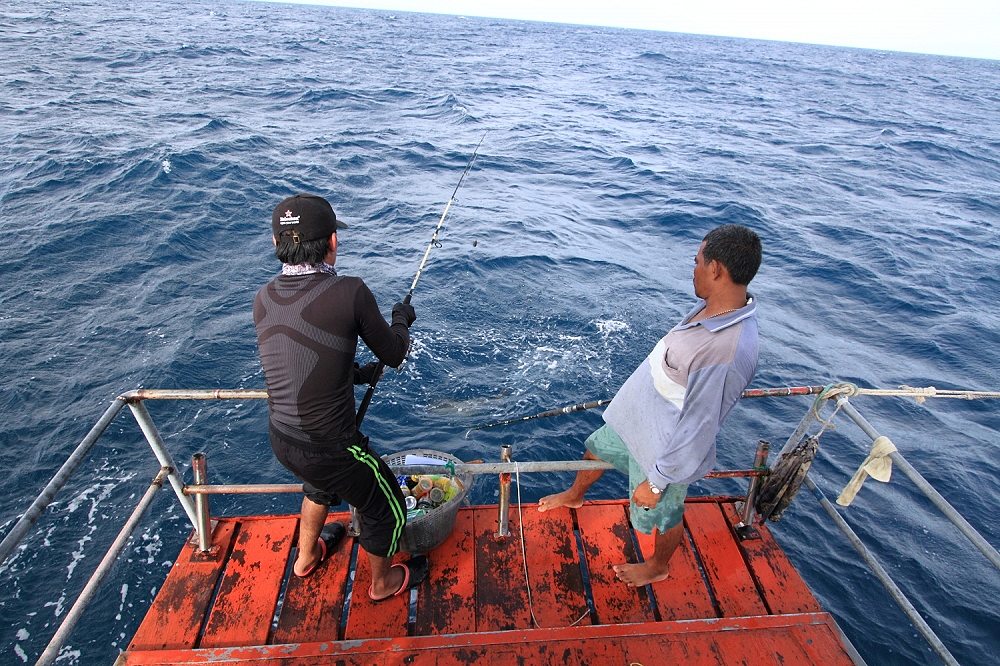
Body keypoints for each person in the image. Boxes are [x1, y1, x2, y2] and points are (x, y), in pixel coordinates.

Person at [538, 223, 762, 587]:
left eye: (697, 262)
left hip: (663, 452)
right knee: (595, 449)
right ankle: (575, 496)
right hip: (634, 422)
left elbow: (700, 427)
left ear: (717, 269)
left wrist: (657, 484)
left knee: (664, 515)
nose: (693, 269)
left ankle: (658, 566)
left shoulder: (727, 350)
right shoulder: (711, 309)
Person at [253, 193, 428, 601]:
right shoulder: (350, 291)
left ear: (276, 244)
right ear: (332, 242)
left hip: (283, 438)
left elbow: (301, 354)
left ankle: (306, 557)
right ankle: (382, 585)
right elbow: (395, 353)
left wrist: (355, 374)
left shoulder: (262, 298)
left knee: (318, 486)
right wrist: (401, 318)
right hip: (332, 449)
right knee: (387, 507)